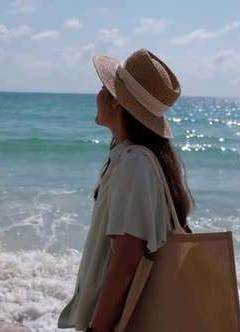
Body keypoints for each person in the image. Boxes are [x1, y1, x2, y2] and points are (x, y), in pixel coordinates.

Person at [57, 48, 194, 332]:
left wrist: (99, 328)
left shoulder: (134, 164)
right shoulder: (131, 157)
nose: (97, 95)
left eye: (103, 87)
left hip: (119, 320)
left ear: (117, 102)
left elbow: (127, 259)